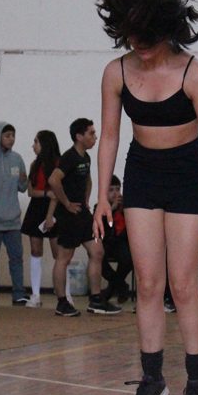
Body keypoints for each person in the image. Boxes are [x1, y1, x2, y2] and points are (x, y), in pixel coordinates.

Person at [90, 0, 198, 395]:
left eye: (147, 39)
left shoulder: (194, 74)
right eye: (131, 38)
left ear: (166, 31)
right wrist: (102, 197)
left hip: (189, 175)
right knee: (149, 284)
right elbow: (109, 136)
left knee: (183, 284)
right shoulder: (116, 72)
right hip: (143, 173)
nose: (140, 47)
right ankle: (152, 379)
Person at [48, 117, 122, 317]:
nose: (95, 137)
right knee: (64, 257)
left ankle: (96, 300)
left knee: (97, 252)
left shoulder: (85, 157)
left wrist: (87, 200)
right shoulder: (69, 157)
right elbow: (54, 180)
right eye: (91, 133)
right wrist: (66, 203)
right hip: (69, 215)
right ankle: (62, 303)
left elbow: (88, 180)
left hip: (82, 214)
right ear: (79, 136)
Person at [0, 122, 29, 306]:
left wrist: (24, 180)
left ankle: (19, 294)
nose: (11, 139)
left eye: (13, 135)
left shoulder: (17, 159)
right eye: (7, 135)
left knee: (16, 258)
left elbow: (22, 187)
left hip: (13, 220)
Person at [20, 130, 61, 308]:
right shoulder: (34, 165)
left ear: (45, 144)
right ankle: (35, 294)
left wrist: (50, 211)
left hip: (54, 209)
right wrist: (46, 193)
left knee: (58, 253)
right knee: (35, 250)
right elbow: (30, 191)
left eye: (36, 142)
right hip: (36, 208)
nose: (33, 146)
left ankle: (64, 293)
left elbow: (58, 193)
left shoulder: (59, 164)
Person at [100, 175, 133, 303]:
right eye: (111, 190)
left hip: (122, 242)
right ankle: (121, 286)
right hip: (107, 243)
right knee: (98, 260)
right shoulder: (100, 207)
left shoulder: (126, 207)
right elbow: (100, 227)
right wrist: (111, 209)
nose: (115, 193)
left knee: (128, 259)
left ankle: (111, 289)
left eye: (117, 189)